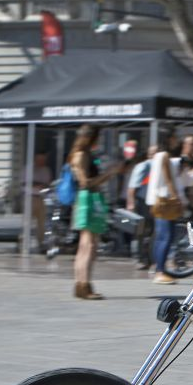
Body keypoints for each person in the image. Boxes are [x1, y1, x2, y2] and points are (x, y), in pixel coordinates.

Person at [69, 124, 120, 300]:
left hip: (87, 200)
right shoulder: (82, 155)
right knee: (89, 246)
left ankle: (81, 285)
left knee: (85, 245)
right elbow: (85, 182)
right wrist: (108, 174)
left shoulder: (82, 154)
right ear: (91, 137)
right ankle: (84, 286)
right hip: (88, 200)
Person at [146, 129, 187, 285]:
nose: (176, 140)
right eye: (175, 137)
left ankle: (158, 268)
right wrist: (176, 197)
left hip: (157, 200)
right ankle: (160, 272)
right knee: (166, 236)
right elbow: (168, 179)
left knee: (160, 236)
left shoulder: (157, 155)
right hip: (165, 200)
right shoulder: (164, 156)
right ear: (169, 139)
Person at [127, 145, 157, 271]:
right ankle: (138, 258)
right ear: (149, 155)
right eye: (155, 153)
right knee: (140, 232)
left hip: (152, 202)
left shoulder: (157, 166)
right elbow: (132, 186)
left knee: (151, 233)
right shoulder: (144, 166)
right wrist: (131, 203)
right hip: (142, 202)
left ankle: (149, 259)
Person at [30, 152, 53, 253]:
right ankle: (22, 242)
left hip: (42, 197)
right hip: (29, 198)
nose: (42, 162)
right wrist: (37, 184)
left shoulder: (46, 170)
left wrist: (38, 184)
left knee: (41, 223)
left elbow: (47, 183)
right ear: (35, 159)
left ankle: (41, 243)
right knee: (27, 223)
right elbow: (25, 182)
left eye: (43, 160)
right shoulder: (29, 169)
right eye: (40, 160)